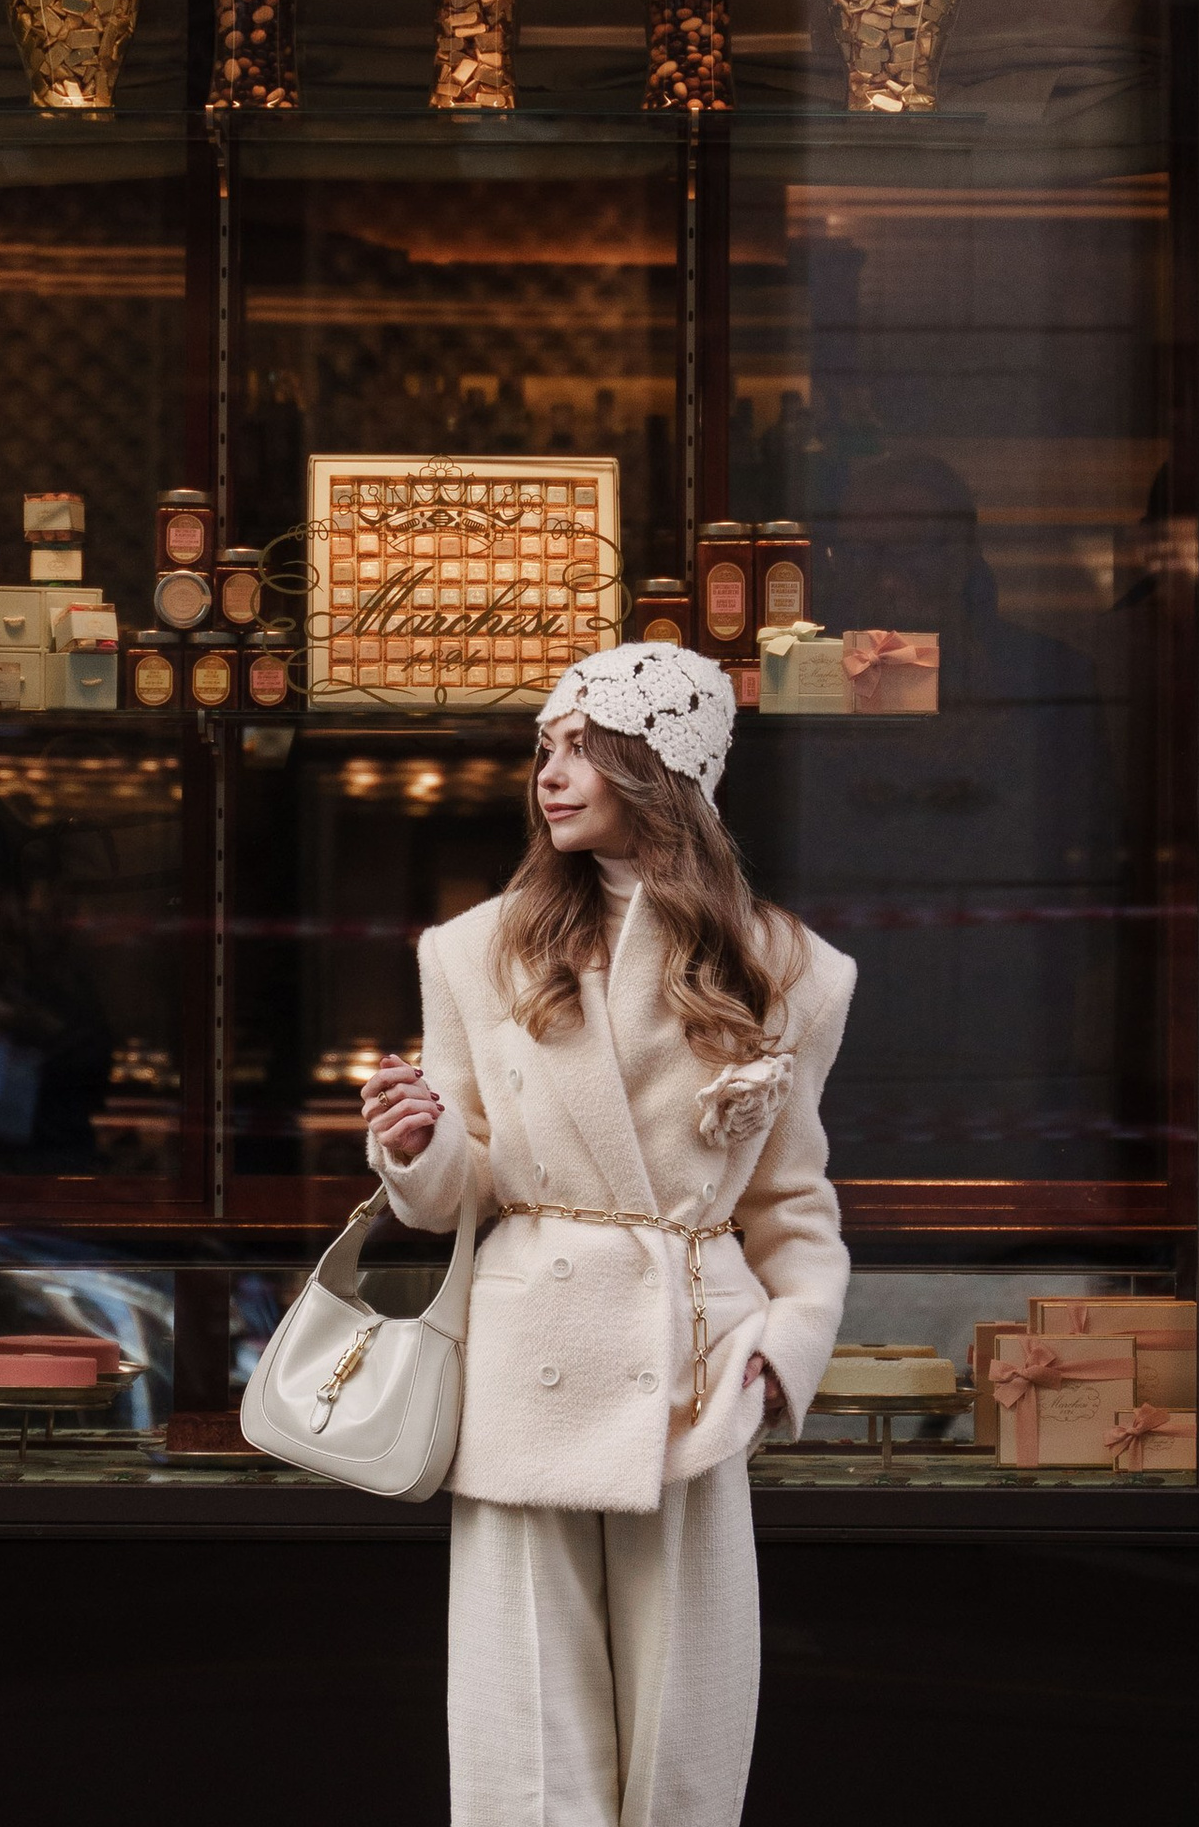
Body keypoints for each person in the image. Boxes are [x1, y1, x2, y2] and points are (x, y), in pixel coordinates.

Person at [359, 641, 855, 1827]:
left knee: (687, 1715)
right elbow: (456, 1197)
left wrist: (783, 1354)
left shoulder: (792, 970)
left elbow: (792, 1201)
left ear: (664, 766)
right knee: (521, 1720)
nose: (551, 771)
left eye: (585, 746)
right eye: (546, 745)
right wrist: (418, 1146)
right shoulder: (475, 950)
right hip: (530, 1354)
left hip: (693, 1367)